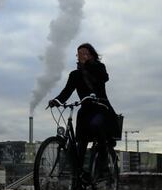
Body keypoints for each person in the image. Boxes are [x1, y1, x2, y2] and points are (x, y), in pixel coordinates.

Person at [49, 43, 116, 177]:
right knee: (81, 140)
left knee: (96, 125)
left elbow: (104, 78)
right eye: (79, 54)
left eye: (85, 53)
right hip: (85, 110)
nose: (81, 56)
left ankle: (103, 164)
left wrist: (89, 65)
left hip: (101, 108)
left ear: (91, 55)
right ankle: (77, 174)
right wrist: (57, 100)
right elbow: (67, 91)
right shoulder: (75, 75)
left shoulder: (99, 67)